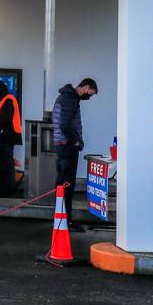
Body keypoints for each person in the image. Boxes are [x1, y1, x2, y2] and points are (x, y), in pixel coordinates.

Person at [52, 78, 98, 231]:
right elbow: (64, 124)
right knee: (66, 184)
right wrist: (76, 142)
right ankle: (66, 221)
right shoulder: (70, 99)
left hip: (63, 145)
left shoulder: (67, 97)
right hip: (67, 146)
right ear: (85, 87)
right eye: (90, 94)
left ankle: (61, 218)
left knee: (62, 184)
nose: (89, 97)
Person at [0, 79, 22, 197]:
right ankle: (1, 190)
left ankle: (8, 191)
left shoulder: (8, 100)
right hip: (3, 138)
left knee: (6, 165)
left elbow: (5, 119)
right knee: (2, 165)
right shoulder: (4, 100)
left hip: (7, 138)